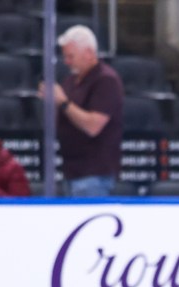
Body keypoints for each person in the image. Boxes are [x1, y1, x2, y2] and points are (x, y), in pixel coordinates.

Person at [38, 25, 124, 197]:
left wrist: (62, 102)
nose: (67, 62)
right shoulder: (71, 81)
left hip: (94, 174)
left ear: (89, 53)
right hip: (71, 170)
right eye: (65, 57)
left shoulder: (106, 80)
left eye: (71, 56)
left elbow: (93, 126)